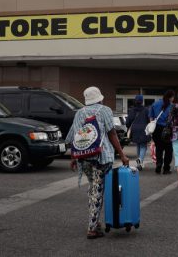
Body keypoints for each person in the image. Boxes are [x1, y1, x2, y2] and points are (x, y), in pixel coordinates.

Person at [66, 86, 129, 240]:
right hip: (101, 157)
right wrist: (122, 155)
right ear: (100, 98)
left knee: (94, 189)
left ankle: (95, 222)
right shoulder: (104, 110)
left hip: (84, 157)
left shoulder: (80, 113)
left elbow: (74, 135)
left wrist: (74, 157)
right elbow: (112, 133)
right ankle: (92, 228)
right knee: (97, 190)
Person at [149, 89, 175, 174]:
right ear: (171, 97)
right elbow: (173, 119)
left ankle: (158, 164)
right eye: (173, 97)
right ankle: (166, 168)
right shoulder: (172, 106)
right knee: (168, 149)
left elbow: (151, 117)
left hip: (157, 129)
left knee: (159, 148)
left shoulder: (155, 104)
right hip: (167, 129)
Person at [126, 94, 150, 171]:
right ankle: (140, 162)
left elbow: (128, 121)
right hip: (143, 129)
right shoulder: (146, 110)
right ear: (142, 101)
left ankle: (139, 162)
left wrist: (129, 127)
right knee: (143, 146)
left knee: (138, 146)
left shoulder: (132, 110)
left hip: (135, 130)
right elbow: (149, 120)